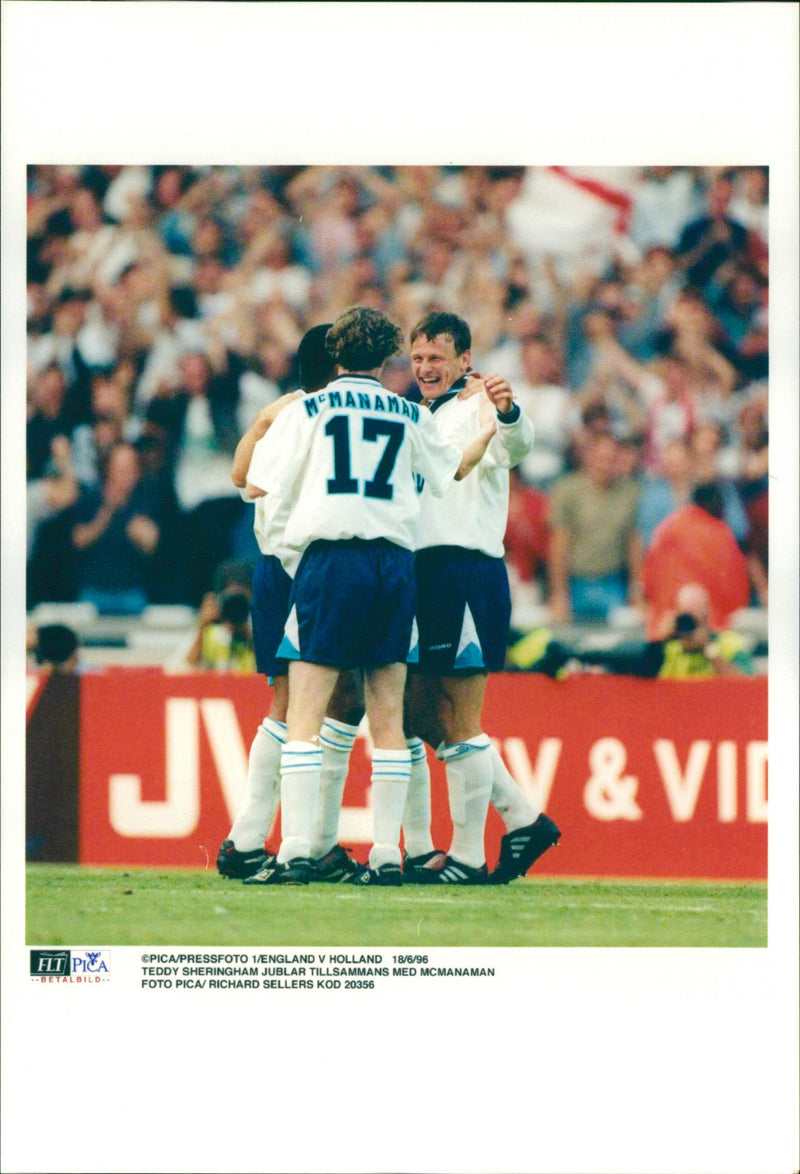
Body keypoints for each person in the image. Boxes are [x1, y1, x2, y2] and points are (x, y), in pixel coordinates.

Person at [240, 305, 497, 885]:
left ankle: (299, 850)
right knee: (388, 719)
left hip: (330, 560)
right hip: (393, 563)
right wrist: (488, 429)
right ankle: (385, 853)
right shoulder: (409, 413)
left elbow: (256, 482)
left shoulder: (308, 409)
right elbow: (452, 470)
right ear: (389, 360)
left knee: (306, 714)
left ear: (336, 355)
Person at [402, 310, 562, 885]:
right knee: (415, 714)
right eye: (418, 358)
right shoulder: (415, 415)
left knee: (457, 717)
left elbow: (518, 444)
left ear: (464, 359)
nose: (425, 368)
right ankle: (521, 819)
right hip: (424, 572)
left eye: (436, 358)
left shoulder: (479, 405)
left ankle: (467, 856)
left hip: (465, 568)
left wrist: (508, 410)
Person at [216, 324, 369, 884]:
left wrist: (259, 424)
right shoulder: (319, 417)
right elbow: (246, 482)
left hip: (276, 566)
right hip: (306, 568)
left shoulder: (288, 411)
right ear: (339, 365)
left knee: (307, 702)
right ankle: (304, 843)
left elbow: (241, 478)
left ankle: (250, 838)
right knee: (326, 702)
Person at [548, 431, 643, 622]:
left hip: (614, 582)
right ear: (588, 457)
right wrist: (559, 594)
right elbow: (559, 545)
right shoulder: (567, 490)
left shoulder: (630, 491)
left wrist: (637, 591)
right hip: (576, 582)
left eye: (611, 458)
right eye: (600, 458)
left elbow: (634, 544)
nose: (605, 464)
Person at [642, 481, 750, 639]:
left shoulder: (666, 527)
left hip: (664, 627)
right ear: (719, 506)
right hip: (709, 630)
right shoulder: (721, 533)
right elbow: (737, 593)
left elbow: (647, 581)